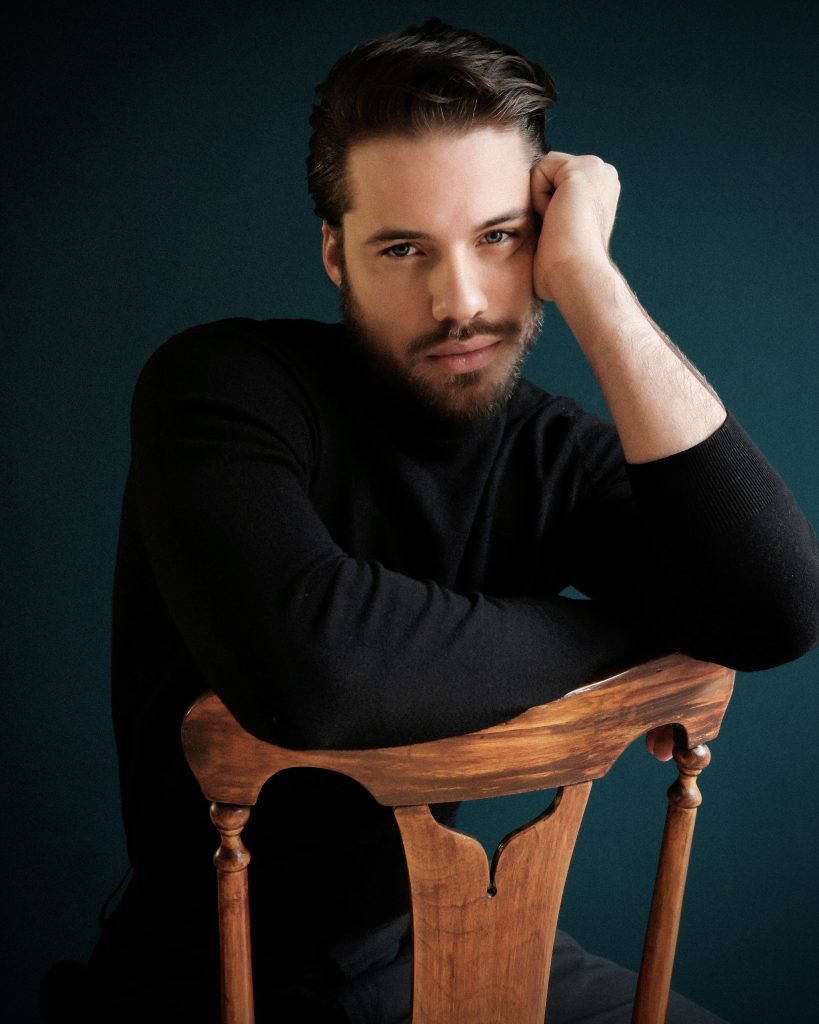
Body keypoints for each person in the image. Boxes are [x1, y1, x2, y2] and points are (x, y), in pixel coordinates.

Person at [42, 17, 819, 1024]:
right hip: (215, 980)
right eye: (404, 248)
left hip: (443, 935)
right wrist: (642, 640)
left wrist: (592, 281)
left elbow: (775, 608)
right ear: (335, 255)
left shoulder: (543, 448)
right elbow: (318, 671)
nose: (461, 301)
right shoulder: (221, 388)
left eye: (499, 238)